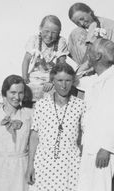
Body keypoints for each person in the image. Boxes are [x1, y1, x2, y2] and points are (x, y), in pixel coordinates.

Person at [78, 38, 114, 191]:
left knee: (100, 187)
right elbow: (75, 80)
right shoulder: (97, 79)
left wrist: (107, 148)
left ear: (98, 56)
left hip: (102, 150)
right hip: (90, 146)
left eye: (90, 52)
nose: (88, 55)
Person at [26, 62, 85, 191]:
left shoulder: (80, 105)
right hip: (44, 164)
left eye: (68, 80)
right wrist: (30, 165)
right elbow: (34, 136)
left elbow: (86, 135)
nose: (63, 85)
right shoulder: (41, 105)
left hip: (70, 165)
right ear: (52, 81)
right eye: (59, 80)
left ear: (73, 81)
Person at [0, 75, 33, 191]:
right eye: (13, 93)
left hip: (21, 169)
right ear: (5, 93)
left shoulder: (29, 116)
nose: (17, 97)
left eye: (20, 93)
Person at [68, 2, 114, 75]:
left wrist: (79, 71)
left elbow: (90, 53)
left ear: (89, 12)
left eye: (82, 19)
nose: (81, 23)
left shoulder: (95, 25)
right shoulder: (101, 21)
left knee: (76, 33)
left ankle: (82, 74)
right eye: (78, 23)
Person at [22, 15, 77, 98]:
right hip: (35, 75)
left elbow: (61, 65)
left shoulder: (61, 42)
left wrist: (51, 81)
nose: (49, 35)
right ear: (40, 28)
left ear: (59, 32)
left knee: (57, 90)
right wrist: (25, 77)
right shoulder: (34, 40)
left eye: (54, 33)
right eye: (46, 31)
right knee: (24, 90)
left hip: (53, 75)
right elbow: (26, 60)